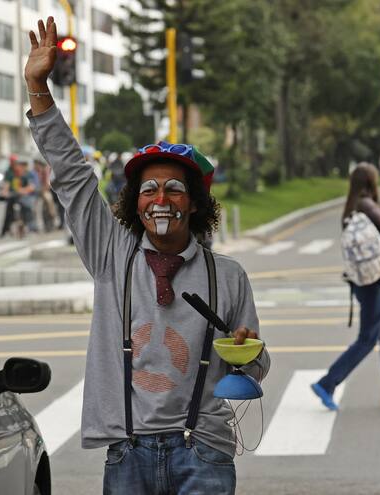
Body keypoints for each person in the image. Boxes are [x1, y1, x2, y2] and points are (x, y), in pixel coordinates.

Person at [24, 17, 270, 494]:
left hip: (204, 449)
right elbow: (73, 176)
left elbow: (256, 369)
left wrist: (246, 351)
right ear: (133, 202)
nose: (160, 199)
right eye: (148, 189)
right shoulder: (111, 253)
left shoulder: (229, 277)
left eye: (174, 189)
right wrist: (38, 87)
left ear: (195, 203)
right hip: (128, 451)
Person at [311, 164, 380, 411]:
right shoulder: (367, 204)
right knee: (367, 339)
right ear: (371, 182)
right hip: (373, 282)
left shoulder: (351, 207)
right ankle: (328, 383)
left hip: (364, 281)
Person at [0, 158, 39, 237]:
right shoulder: (14, 174)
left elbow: (31, 187)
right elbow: (9, 186)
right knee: (9, 209)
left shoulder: (29, 174)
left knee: (27, 208)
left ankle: (32, 227)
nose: (18, 167)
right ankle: (6, 230)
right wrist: (5, 193)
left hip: (29, 196)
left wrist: (23, 191)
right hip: (17, 196)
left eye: (20, 166)